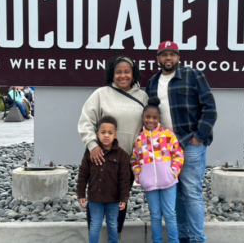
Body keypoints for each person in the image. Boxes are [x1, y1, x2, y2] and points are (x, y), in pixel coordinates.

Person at [146, 41, 217, 243]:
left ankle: (196, 238)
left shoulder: (193, 75)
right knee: (174, 192)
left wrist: (198, 137)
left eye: (172, 54)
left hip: (190, 143)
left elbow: (210, 108)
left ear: (178, 58)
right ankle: (184, 235)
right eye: (164, 54)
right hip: (165, 149)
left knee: (191, 192)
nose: (168, 58)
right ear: (158, 58)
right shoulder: (152, 82)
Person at [78, 55, 148, 239]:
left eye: (127, 72)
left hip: (126, 162)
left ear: (133, 74)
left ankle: (115, 235)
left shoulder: (143, 97)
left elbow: (149, 126)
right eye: (118, 72)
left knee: (120, 200)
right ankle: (93, 235)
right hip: (101, 158)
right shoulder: (101, 94)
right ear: (112, 74)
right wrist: (93, 146)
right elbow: (86, 122)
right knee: (95, 199)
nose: (122, 76)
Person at [131, 97, 184, 243]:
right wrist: (139, 176)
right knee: (154, 215)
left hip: (168, 181)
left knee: (170, 214)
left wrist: (173, 172)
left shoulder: (167, 134)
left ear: (159, 118)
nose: (151, 120)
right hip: (149, 184)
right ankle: (157, 241)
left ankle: (174, 241)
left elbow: (178, 154)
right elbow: (134, 159)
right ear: (142, 118)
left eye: (154, 117)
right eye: (148, 117)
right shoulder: (139, 139)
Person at [77, 116, 130, 243]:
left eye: (110, 133)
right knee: (95, 224)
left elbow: (125, 179)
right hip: (95, 197)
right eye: (103, 132)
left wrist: (124, 198)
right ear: (97, 134)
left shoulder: (122, 155)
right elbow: (83, 173)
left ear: (115, 135)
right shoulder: (91, 152)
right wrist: (81, 193)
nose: (106, 136)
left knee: (112, 224)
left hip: (114, 198)